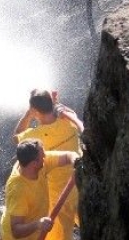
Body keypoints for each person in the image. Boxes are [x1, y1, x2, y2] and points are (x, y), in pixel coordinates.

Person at [12, 89, 83, 240]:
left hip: (58, 200)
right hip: (81, 187)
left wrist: (28, 114)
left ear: (36, 111)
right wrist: (57, 104)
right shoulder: (69, 121)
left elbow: (16, 137)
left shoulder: (35, 138)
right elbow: (70, 113)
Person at [0, 138, 79, 240]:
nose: (45, 156)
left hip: (35, 233)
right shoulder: (18, 189)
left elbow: (68, 156)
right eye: (42, 156)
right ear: (34, 163)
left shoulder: (37, 164)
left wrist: (76, 162)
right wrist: (38, 224)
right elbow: (16, 231)